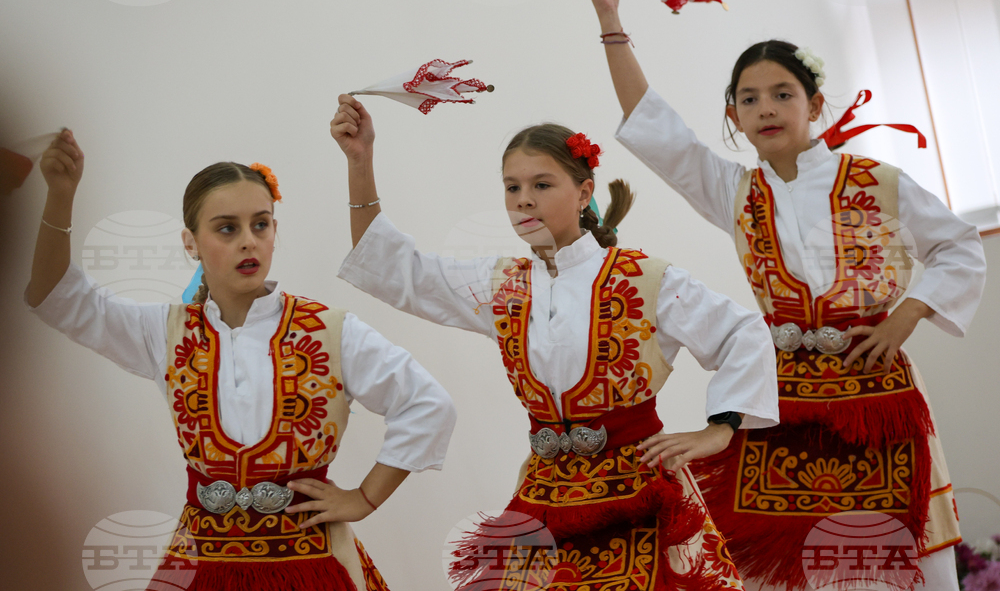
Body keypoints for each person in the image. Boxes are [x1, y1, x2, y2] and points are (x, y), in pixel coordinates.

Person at [586, 0, 987, 591]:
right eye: (749, 99)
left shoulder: (875, 181)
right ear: (734, 116)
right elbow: (657, 131)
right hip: (783, 404)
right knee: (780, 569)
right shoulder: (733, 191)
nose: (765, 108)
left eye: (782, 94)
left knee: (910, 558)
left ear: (815, 103)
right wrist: (611, 23)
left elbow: (959, 248)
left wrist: (909, 315)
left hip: (876, 397)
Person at [330, 93, 780, 589]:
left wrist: (721, 428)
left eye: (542, 185)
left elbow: (743, 331)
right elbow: (398, 270)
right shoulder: (502, 286)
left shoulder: (645, 279)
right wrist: (360, 161)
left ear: (584, 191)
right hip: (547, 493)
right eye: (512, 187)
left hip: (640, 492)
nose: (524, 199)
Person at [25, 130, 457, 591]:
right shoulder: (165, 333)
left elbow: (427, 403)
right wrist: (60, 196)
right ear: (190, 242)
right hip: (199, 561)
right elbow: (57, 298)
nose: (249, 241)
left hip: (309, 560)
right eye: (227, 228)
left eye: (261, 224)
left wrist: (365, 497)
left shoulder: (328, 330)